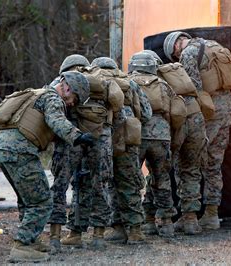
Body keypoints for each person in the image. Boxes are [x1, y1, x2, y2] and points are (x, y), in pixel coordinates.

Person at [0, 71, 93, 262]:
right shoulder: (52, 98)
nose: (72, 104)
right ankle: (22, 245)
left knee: (27, 199)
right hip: (21, 152)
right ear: (67, 88)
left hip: (2, 149)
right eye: (74, 99)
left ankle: (31, 240)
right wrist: (77, 136)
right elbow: (56, 121)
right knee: (42, 201)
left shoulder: (36, 94)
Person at [164, 31, 231, 230]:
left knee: (190, 162)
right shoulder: (214, 45)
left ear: (177, 45)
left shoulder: (189, 54)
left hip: (207, 113)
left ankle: (190, 217)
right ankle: (212, 215)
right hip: (226, 108)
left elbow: (192, 87)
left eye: (175, 55)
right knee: (214, 164)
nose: (177, 58)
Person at [61, 57, 123, 250]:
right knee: (101, 183)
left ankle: (75, 233)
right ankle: (99, 235)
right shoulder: (103, 82)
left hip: (76, 138)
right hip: (102, 138)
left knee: (79, 185)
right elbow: (120, 113)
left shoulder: (64, 83)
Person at [89, 57, 152, 244]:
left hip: (101, 137)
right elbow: (147, 113)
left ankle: (116, 228)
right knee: (129, 183)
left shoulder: (93, 80)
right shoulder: (129, 82)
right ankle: (135, 231)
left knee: (108, 183)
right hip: (127, 138)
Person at [162, 34, 211, 235]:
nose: (177, 55)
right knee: (192, 170)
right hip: (198, 117)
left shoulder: (164, 80)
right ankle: (190, 220)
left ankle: (162, 220)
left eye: (175, 53)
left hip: (181, 122)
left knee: (165, 170)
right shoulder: (207, 47)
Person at [128, 51, 179, 237]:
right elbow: (174, 113)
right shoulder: (164, 85)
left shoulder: (128, 82)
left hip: (136, 136)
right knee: (162, 179)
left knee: (133, 179)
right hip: (161, 136)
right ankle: (166, 223)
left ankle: (139, 224)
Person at [47, 54, 90, 253]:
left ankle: (54, 236)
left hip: (65, 145)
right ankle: (77, 234)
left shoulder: (56, 86)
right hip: (89, 141)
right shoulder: (92, 83)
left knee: (59, 187)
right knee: (83, 187)